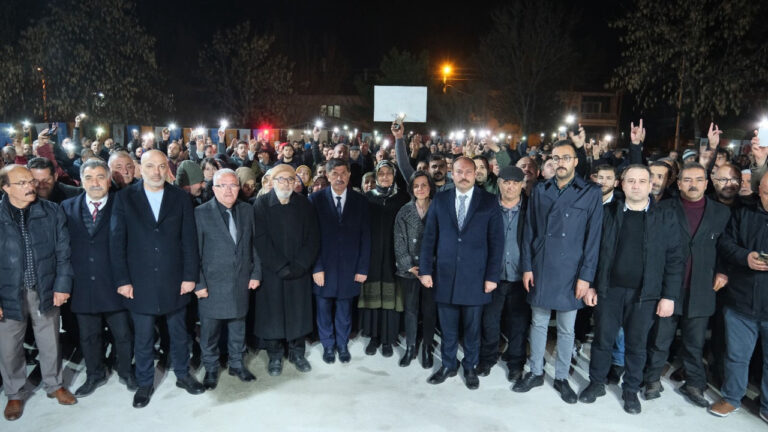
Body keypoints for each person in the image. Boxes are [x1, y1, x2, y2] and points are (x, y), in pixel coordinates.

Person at [578, 164, 684, 414]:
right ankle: (596, 383)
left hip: (644, 295)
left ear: (650, 186)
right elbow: (593, 253)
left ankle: (630, 391)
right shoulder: (608, 214)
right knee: (602, 341)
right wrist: (591, 285)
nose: (636, 185)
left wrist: (669, 296)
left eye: (641, 181)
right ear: (621, 184)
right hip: (609, 290)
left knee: (637, 345)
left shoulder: (665, 217)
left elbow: (675, 259)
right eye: (631, 181)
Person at [110, 150, 204, 408]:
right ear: (141, 168)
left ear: (167, 169)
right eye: (150, 166)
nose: (156, 172)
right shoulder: (125, 198)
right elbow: (117, 243)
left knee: (180, 333)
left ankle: (184, 375)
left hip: (175, 281)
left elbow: (189, 240)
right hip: (139, 282)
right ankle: (144, 383)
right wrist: (122, 280)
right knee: (143, 338)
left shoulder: (180, 198)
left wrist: (189, 276)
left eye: (161, 166)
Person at [516, 141, 603, 404]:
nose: (560, 162)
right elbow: (529, 231)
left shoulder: (590, 192)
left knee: (567, 329)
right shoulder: (540, 190)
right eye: (556, 158)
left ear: (576, 161)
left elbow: (593, 239)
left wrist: (586, 277)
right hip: (541, 267)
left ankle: (562, 376)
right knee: (539, 323)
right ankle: (535, 372)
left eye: (566, 157)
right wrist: (527, 267)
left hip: (571, 271)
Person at [642, 163, 730, 407]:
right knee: (660, 338)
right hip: (668, 287)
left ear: (706, 182)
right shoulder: (664, 208)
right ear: (678, 183)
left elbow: (725, 248)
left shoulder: (721, 213)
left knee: (695, 342)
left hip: (702, 288)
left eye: (698, 179)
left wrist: (723, 271)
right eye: (687, 180)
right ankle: (651, 379)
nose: (693, 184)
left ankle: (694, 384)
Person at [419, 156, 504, 390]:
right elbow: (429, 239)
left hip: (476, 278)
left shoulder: (488, 201)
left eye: (468, 171)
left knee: (472, 328)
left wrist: (491, 277)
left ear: (475, 173)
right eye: (459, 171)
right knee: (447, 327)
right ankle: (448, 364)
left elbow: (497, 243)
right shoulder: (440, 200)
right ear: (452, 174)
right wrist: (426, 270)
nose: (464, 176)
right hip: (444, 275)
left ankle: (469, 366)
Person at [0, 165, 76, 421]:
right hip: (8, 291)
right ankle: (14, 393)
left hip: (44, 287)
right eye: (21, 183)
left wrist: (62, 285)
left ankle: (54, 385)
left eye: (30, 181)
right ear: (5, 187)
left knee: (50, 340)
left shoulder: (51, 211)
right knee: (9, 347)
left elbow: (64, 253)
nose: (30, 186)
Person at [60, 159, 136, 397]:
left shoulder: (123, 204)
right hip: (83, 285)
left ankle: (126, 371)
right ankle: (95, 374)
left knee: (123, 334)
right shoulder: (66, 207)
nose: (95, 183)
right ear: (81, 181)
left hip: (116, 283)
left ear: (109, 179)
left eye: (100, 177)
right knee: (88, 336)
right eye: (89, 178)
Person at [194, 168, 261, 389]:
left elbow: (254, 246)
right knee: (210, 333)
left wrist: (255, 273)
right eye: (224, 185)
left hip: (240, 282)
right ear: (214, 189)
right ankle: (211, 368)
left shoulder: (247, 210)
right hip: (211, 286)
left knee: (237, 329)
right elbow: (194, 253)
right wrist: (198, 283)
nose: (229, 190)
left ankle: (236, 364)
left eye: (233, 185)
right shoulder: (201, 213)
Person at [710, 174, 768, 419]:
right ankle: (732, 397)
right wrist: (746, 257)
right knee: (736, 355)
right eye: (765, 192)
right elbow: (726, 243)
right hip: (741, 299)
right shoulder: (744, 213)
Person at [253, 164, 319, 375]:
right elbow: (260, 240)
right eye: (281, 179)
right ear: (272, 182)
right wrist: (280, 266)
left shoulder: (305, 204)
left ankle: (297, 352)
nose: (286, 184)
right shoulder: (261, 204)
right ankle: (274, 355)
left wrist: (300, 265)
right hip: (273, 272)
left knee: (298, 312)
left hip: (299, 271)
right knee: (273, 314)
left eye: (290, 180)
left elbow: (313, 238)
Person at [309, 158, 370, 364]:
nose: (339, 177)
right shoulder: (315, 200)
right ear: (327, 175)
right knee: (323, 308)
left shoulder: (360, 201)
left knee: (344, 309)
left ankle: (342, 345)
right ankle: (328, 345)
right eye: (334, 173)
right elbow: (311, 237)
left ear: (349, 175)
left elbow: (366, 237)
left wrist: (362, 268)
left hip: (349, 267)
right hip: (323, 267)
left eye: (343, 173)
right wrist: (316, 267)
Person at [476, 166, 530, 383]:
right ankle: (487, 358)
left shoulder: (530, 210)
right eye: (506, 182)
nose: (510, 186)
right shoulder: (488, 208)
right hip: (493, 276)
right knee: (490, 321)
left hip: (520, 277)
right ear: (499, 183)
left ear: (522, 185)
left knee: (518, 323)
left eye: (515, 182)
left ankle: (516, 363)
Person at [360, 161, 410, 358]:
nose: (385, 177)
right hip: (372, 254)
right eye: (381, 173)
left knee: (391, 296)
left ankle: (389, 338)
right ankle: (373, 336)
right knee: (373, 294)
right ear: (376, 176)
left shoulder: (402, 198)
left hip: (393, 255)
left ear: (394, 176)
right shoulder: (367, 198)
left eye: (389, 173)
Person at [394, 170, 437, 368]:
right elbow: (399, 242)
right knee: (410, 310)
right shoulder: (404, 211)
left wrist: (429, 267)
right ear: (411, 188)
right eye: (416, 185)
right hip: (410, 271)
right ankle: (410, 346)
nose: (420, 189)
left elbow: (443, 240)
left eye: (424, 185)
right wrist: (411, 267)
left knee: (429, 310)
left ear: (430, 187)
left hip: (431, 270)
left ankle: (427, 347)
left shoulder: (438, 209)